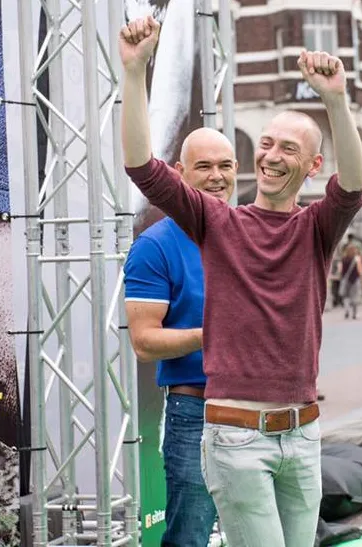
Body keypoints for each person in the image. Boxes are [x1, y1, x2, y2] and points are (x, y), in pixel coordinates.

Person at [119, 16, 362, 547]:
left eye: (289, 150)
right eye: (268, 144)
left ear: (313, 164)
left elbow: (353, 188)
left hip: (302, 432)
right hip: (234, 432)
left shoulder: (315, 229)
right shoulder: (218, 223)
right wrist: (135, 72)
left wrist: (337, 102)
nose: (272, 157)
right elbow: (141, 166)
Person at [124, 128, 236, 547]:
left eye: (224, 165)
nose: (216, 176)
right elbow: (144, 341)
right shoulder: (154, 246)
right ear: (180, 172)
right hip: (196, 410)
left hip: (261, 407)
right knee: (190, 534)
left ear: (237, 170)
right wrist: (214, 334)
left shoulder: (250, 232)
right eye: (203, 166)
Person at [338, 244, 362, 320]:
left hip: (345, 280)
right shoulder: (357, 259)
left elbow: (340, 270)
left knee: (345, 296)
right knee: (354, 297)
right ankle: (354, 314)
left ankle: (347, 310)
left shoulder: (343, 259)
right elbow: (360, 271)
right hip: (355, 280)